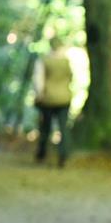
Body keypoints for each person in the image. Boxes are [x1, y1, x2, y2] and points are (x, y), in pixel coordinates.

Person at [33, 37, 73, 167]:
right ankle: (63, 155)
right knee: (63, 127)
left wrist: (39, 94)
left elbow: (38, 80)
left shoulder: (44, 60)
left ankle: (42, 153)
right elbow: (70, 78)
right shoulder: (66, 62)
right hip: (64, 98)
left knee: (46, 127)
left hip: (48, 99)